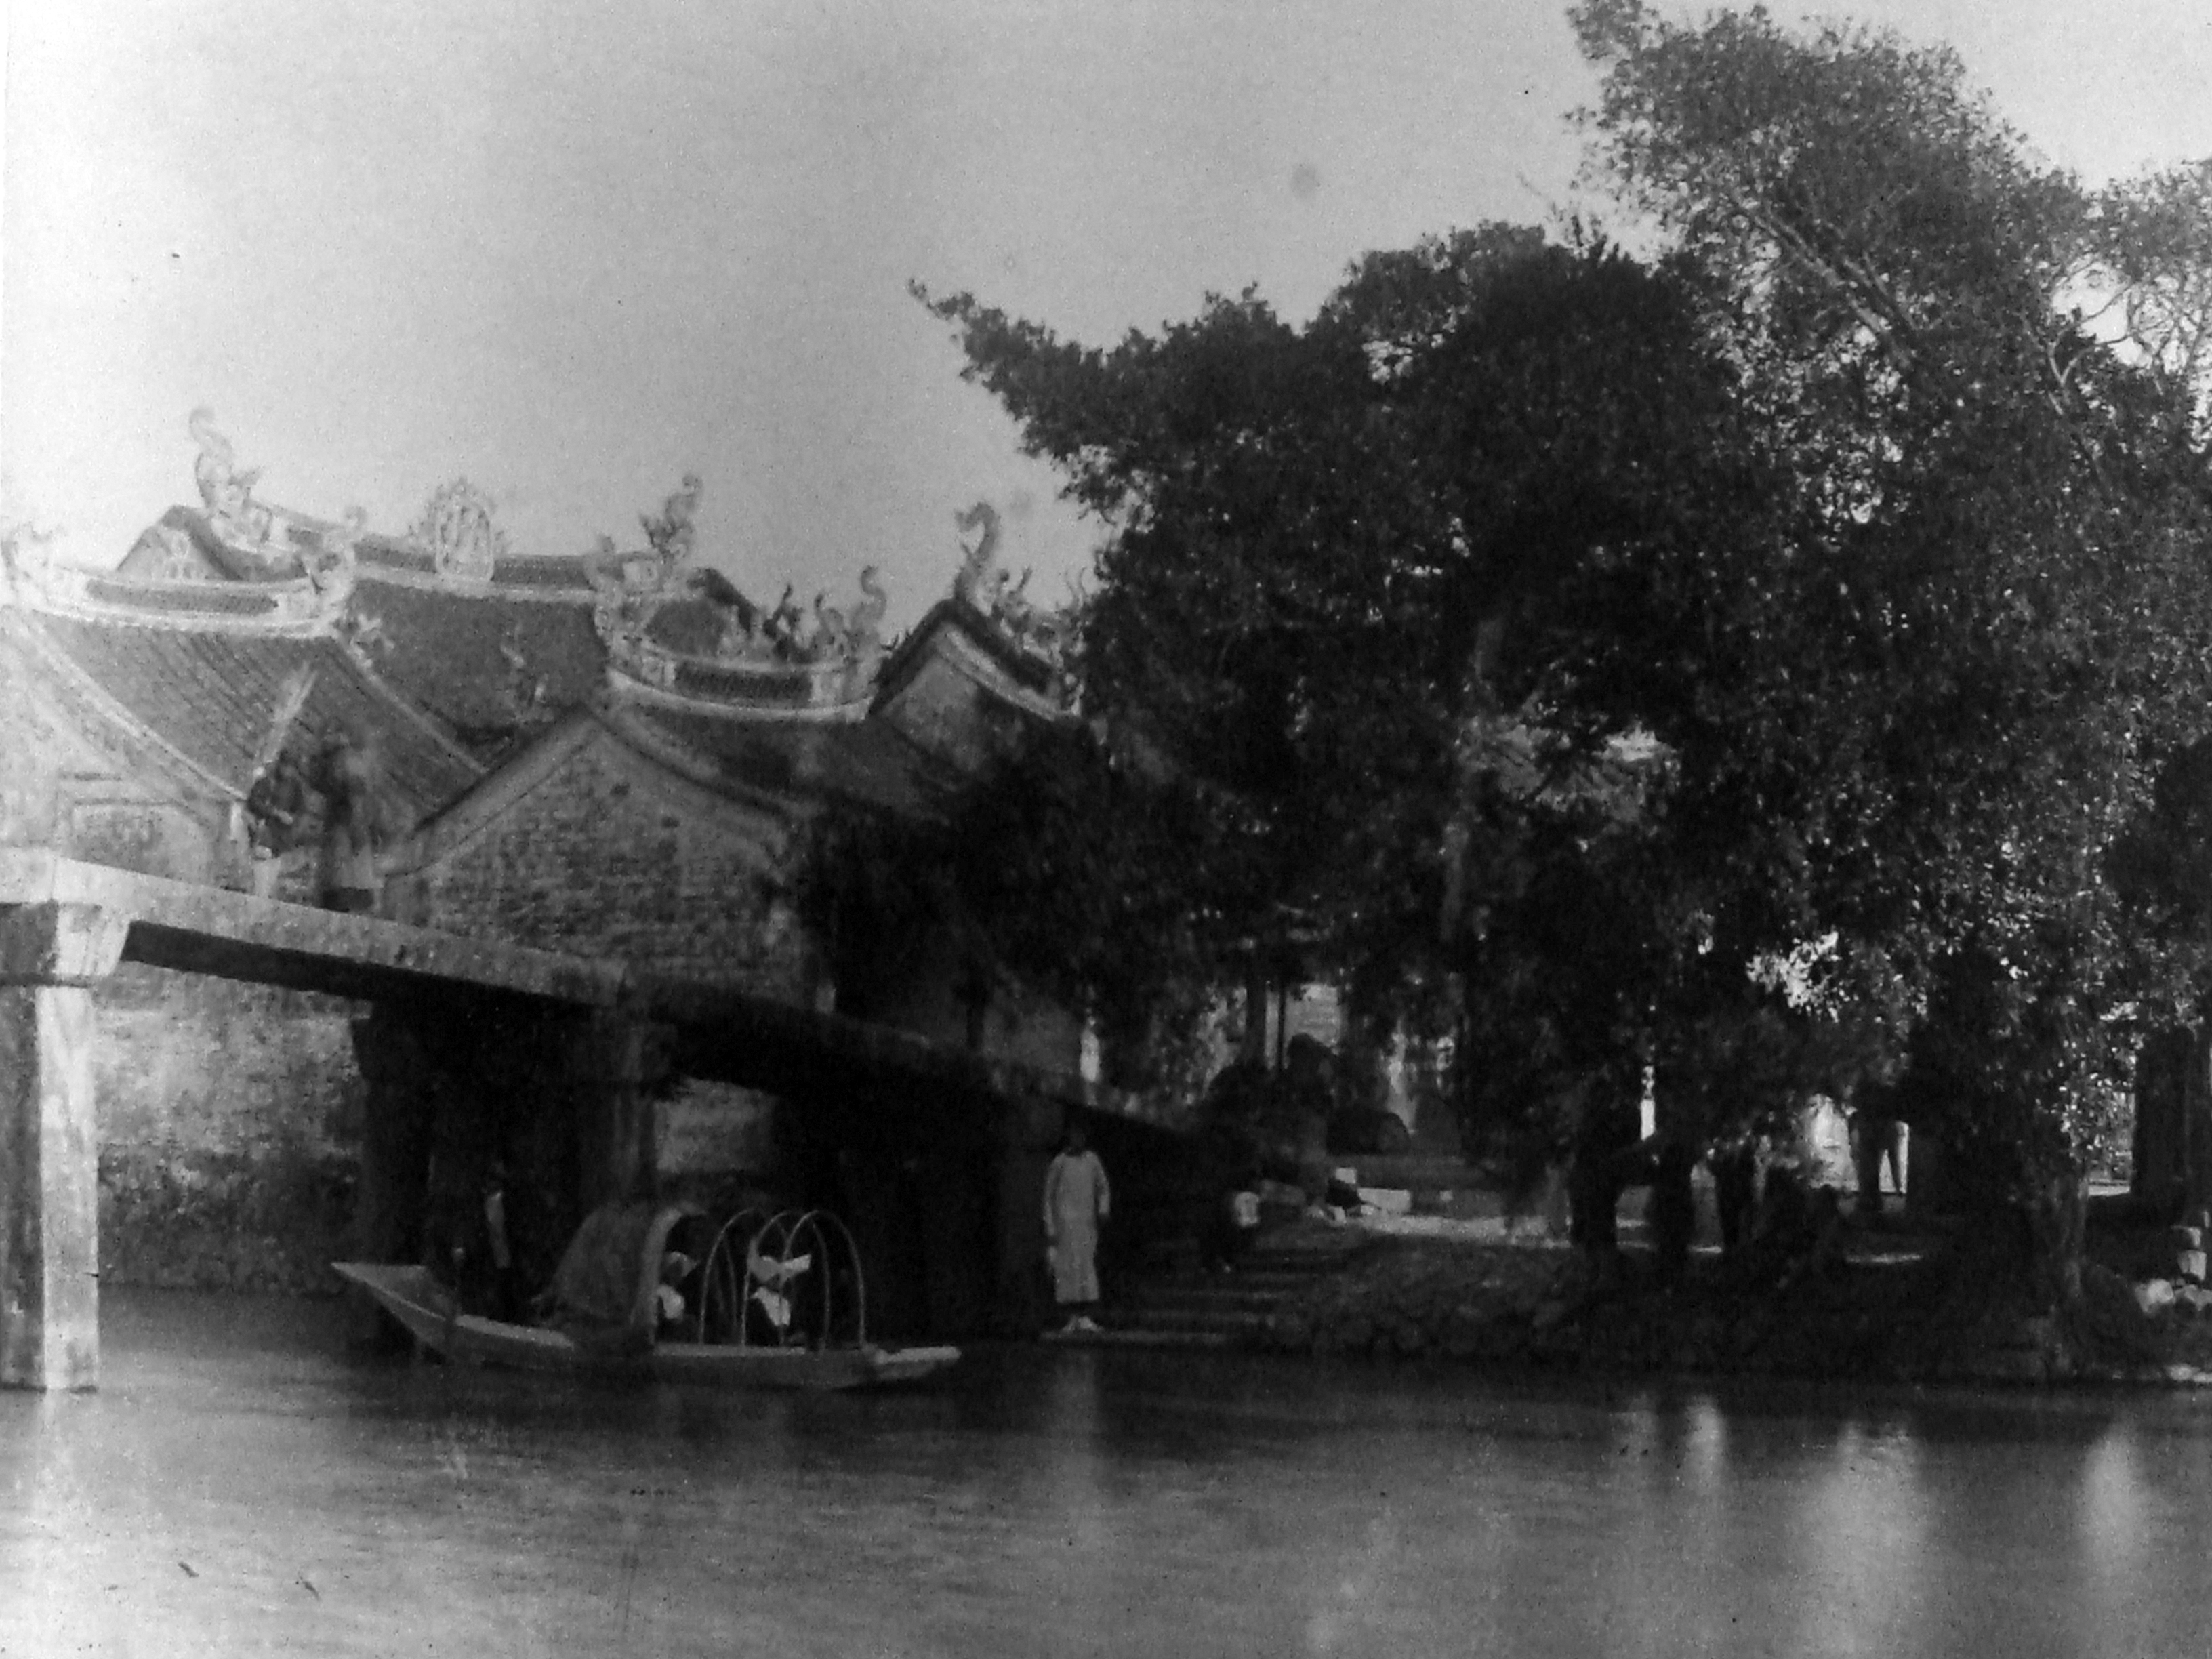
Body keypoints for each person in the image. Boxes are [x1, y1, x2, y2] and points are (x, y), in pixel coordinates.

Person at [1043, 1119, 1111, 1334]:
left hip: (1086, 1224)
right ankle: (1070, 1317)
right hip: (1065, 1225)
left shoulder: (1092, 1161)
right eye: (1074, 1134)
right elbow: (1048, 1196)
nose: (1077, 1139)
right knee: (1067, 1271)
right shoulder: (1060, 1162)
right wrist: (1051, 1227)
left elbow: (1103, 1187)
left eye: (1081, 1135)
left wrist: (1103, 1209)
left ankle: (1085, 1316)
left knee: (1086, 1268)